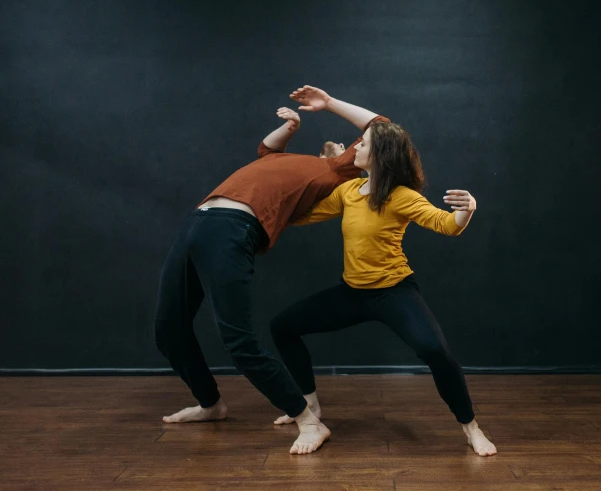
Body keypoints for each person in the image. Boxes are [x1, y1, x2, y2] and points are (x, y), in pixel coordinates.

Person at [153, 85, 389, 455]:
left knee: (239, 342)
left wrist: (327, 104)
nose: (353, 146)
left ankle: (309, 421)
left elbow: (380, 126)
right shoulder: (287, 162)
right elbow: (266, 149)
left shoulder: (336, 171)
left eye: (357, 146)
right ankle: (210, 403)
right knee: (168, 329)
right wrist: (290, 127)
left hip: (231, 229)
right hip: (197, 223)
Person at [268, 116, 498, 456]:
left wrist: (468, 210)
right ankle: (310, 405)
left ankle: (471, 428)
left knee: (436, 352)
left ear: (380, 154)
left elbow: (447, 225)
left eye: (362, 144)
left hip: (394, 292)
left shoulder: (401, 196)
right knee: (282, 326)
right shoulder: (348, 192)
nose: (356, 147)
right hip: (352, 293)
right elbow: (304, 215)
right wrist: (280, 195)